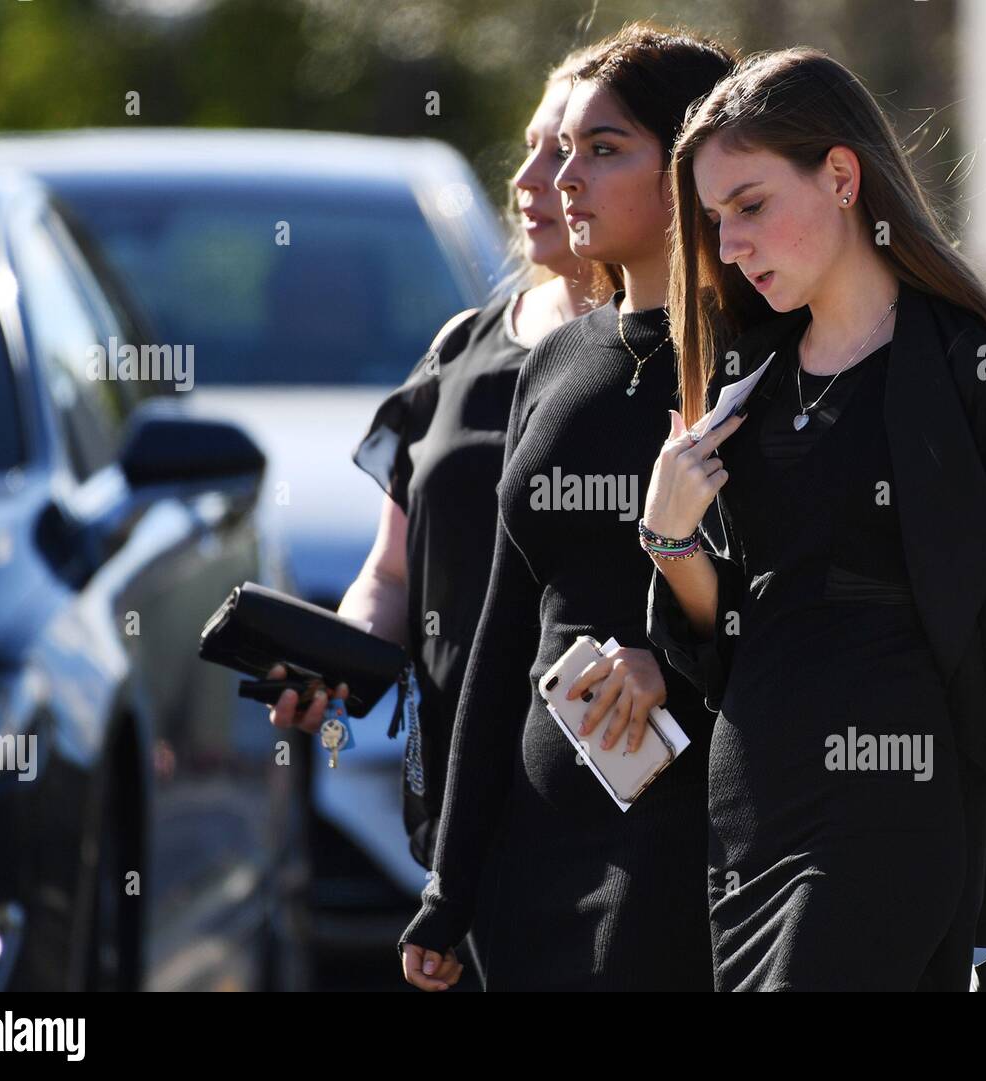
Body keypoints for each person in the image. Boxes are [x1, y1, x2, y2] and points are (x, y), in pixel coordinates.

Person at [643, 47, 986, 991]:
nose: (728, 245)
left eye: (750, 205)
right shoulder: (749, 384)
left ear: (843, 177)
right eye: (713, 219)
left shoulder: (966, 370)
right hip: (751, 814)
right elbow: (721, 636)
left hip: (892, 808)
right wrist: (669, 537)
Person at [397, 22, 738, 991]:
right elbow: (506, 633)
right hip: (529, 861)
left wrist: (671, 660)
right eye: (560, 150)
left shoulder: (756, 364)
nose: (564, 178)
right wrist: (450, 882)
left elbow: (801, 607)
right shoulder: (555, 359)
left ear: (688, 166)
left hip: (678, 855)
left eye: (602, 148)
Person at [264, 44, 600, 987]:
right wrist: (339, 656)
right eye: (532, 149)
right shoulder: (462, 348)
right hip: (460, 817)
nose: (533, 179)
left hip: (616, 819)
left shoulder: (681, 360)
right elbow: (393, 572)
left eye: (575, 149)